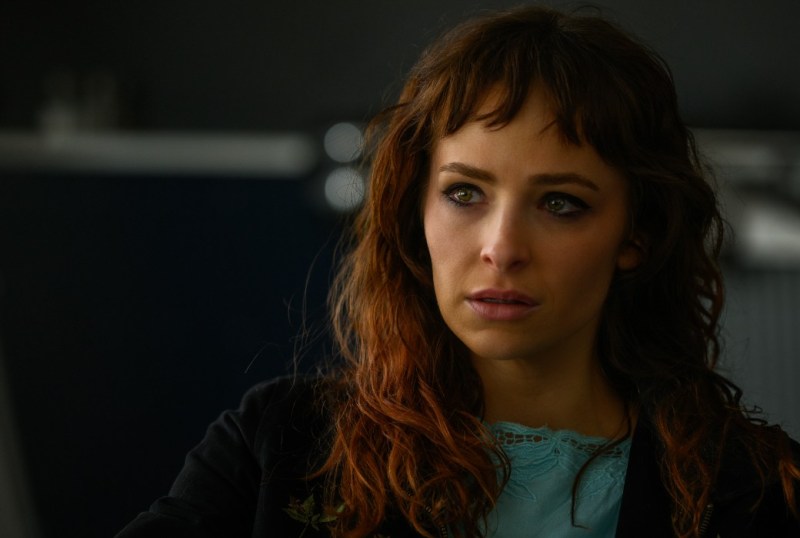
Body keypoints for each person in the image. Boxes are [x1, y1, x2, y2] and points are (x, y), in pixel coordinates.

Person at [116, 6, 800, 538]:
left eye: (560, 204)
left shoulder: (751, 492)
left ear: (636, 235)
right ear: (415, 207)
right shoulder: (279, 445)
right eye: (465, 193)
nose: (501, 248)